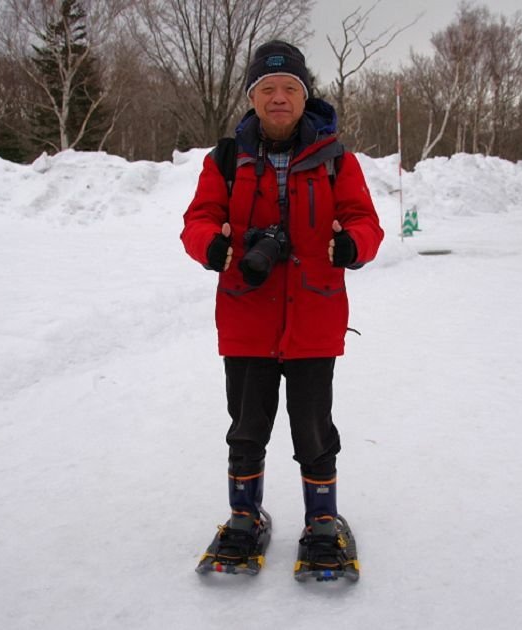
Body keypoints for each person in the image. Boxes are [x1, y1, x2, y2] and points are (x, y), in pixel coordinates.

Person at [181, 40, 384, 573]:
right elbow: (198, 218)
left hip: (314, 319)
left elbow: (366, 221)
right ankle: (245, 517)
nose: (278, 98)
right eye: (266, 89)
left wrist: (353, 245)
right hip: (246, 316)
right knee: (246, 426)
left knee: (313, 428)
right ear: (253, 97)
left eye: (288, 88)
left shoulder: (337, 160)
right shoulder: (225, 160)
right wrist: (211, 244)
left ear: (304, 96)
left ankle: (322, 520)